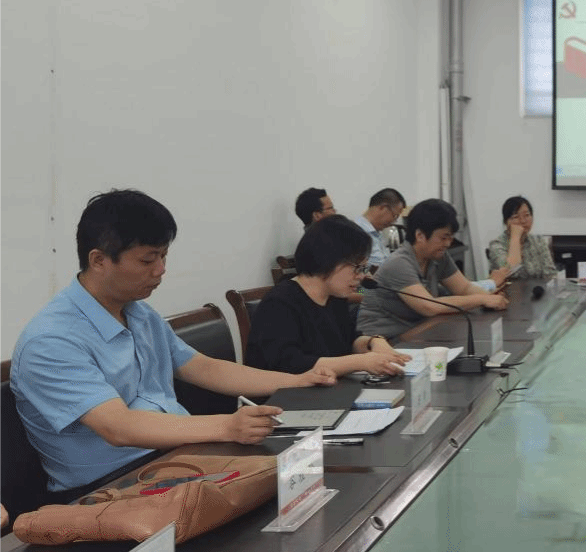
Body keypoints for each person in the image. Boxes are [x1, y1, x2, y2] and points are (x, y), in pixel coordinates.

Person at [11, 190, 334, 499]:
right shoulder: (51, 341)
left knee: (305, 470)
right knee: (277, 491)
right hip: (109, 487)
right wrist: (227, 426)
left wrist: (297, 381)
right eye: (147, 260)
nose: (161, 270)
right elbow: (119, 428)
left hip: (174, 458)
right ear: (98, 260)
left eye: (163, 256)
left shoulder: (138, 313)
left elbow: (203, 367)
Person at [246, 216, 412, 377]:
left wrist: (374, 342)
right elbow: (290, 364)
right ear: (328, 260)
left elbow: (349, 341)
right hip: (285, 393)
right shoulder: (279, 303)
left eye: (364, 268)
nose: (361, 276)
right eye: (358, 268)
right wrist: (360, 362)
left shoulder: (334, 297)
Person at [357, 198, 509, 339]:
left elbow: (464, 288)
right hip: (384, 340)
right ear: (420, 235)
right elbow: (429, 307)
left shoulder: (438, 256)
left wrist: (492, 299)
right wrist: (481, 299)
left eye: (450, 238)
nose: (448, 244)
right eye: (443, 238)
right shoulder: (399, 263)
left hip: (418, 330)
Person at [487, 196, 556, 279]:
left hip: (538, 287)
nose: (523, 221)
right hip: (509, 287)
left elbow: (550, 273)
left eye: (527, 215)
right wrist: (515, 237)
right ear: (506, 221)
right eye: (516, 217)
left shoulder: (539, 241)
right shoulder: (496, 244)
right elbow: (509, 271)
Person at [353, 188, 407, 269]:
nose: (394, 221)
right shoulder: (355, 232)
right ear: (383, 208)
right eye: (395, 216)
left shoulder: (379, 233)